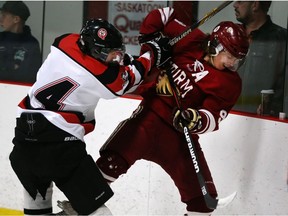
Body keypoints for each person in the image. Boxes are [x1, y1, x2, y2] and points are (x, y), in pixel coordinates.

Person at [94, 7, 249, 215]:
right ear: (215, 45)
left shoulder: (230, 83)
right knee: (108, 165)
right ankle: (78, 207)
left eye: (237, 60)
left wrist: (195, 118)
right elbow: (161, 16)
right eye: (229, 56)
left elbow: (213, 116)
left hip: (180, 139)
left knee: (204, 203)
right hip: (148, 120)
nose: (232, 64)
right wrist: (152, 43)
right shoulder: (190, 39)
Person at [9, 18, 171, 215]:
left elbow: (112, 63)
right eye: (111, 55)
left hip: (23, 141)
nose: (116, 58)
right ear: (95, 53)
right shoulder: (105, 77)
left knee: (37, 199)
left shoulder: (64, 41)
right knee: (99, 213)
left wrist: (126, 58)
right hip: (58, 147)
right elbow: (128, 79)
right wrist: (152, 54)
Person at [232, 1, 287, 116]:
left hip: (264, 122)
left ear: (255, 5)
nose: (235, 5)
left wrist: (273, 108)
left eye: (240, 1)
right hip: (226, 117)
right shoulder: (229, 34)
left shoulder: (282, 39)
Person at [0, 1, 41, 84]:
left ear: (16, 19)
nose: (1, 19)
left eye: (4, 15)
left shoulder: (31, 44)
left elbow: (28, 76)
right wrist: (13, 66)